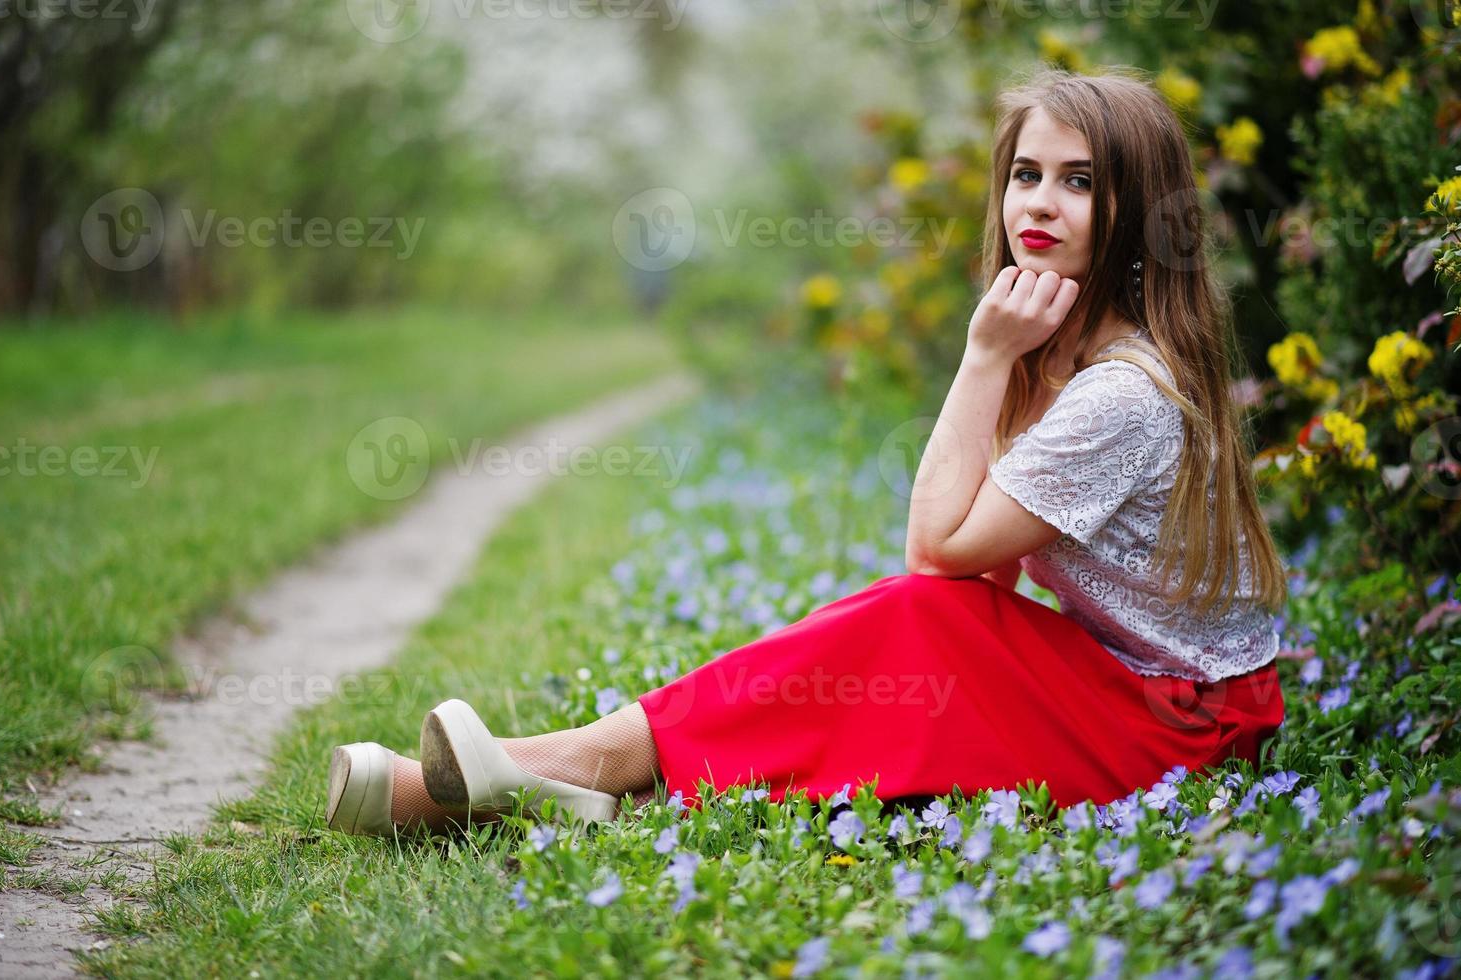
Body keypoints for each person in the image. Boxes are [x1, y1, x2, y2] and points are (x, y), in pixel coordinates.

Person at [325, 65, 1288, 837]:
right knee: (893, 635)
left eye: (1079, 182)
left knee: (903, 616)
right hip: (1128, 691)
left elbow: (938, 561)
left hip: (1184, 730)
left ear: (1136, 210)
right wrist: (1002, 362)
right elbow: (975, 593)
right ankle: (550, 770)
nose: (1038, 202)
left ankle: (571, 765)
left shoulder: (1119, 392)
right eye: (1025, 175)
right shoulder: (1057, 349)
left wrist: (980, 357)